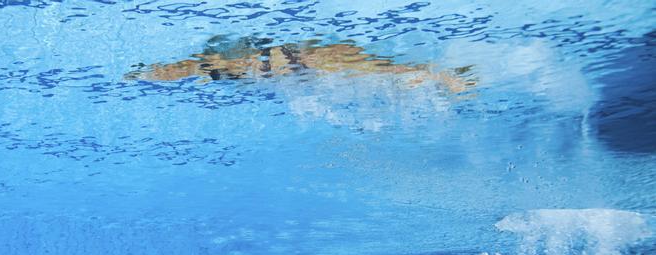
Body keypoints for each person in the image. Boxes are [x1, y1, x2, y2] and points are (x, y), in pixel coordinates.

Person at [125, 36, 475, 93]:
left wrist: (440, 76)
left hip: (325, 61)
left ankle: (450, 75)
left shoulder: (316, 57)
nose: (215, 72)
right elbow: (186, 67)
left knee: (399, 75)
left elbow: (383, 69)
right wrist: (144, 74)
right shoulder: (232, 65)